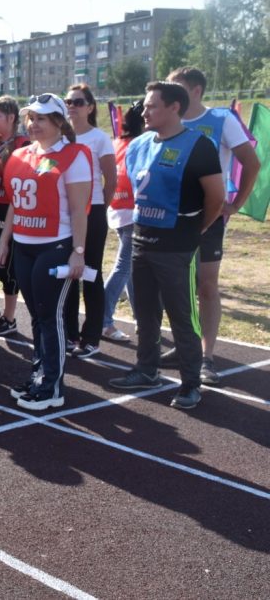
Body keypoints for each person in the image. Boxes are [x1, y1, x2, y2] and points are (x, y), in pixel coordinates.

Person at [108, 81, 224, 410]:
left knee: (181, 316)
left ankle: (190, 383)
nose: (144, 111)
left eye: (152, 106)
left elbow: (216, 198)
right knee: (145, 313)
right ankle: (147, 369)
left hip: (178, 246)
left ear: (174, 108)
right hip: (142, 240)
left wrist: (193, 230)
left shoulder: (199, 145)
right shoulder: (139, 144)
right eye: (145, 106)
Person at [0, 94, 92, 410]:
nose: (33, 123)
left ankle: (53, 385)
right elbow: (14, 203)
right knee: (35, 315)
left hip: (56, 246)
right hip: (24, 246)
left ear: (58, 123)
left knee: (51, 317)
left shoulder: (74, 156)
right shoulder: (21, 154)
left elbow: (79, 210)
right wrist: (4, 241)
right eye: (31, 118)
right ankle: (40, 375)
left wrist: (78, 252)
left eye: (42, 118)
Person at [165, 67, 262, 383]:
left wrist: (236, 204)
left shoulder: (221, 120)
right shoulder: (168, 121)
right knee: (176, 286)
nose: (169, 92)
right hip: (171, 217)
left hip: (208, 217)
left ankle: (207, 357)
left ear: (195, 91)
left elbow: (252, 162)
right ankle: (184, 345)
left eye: (175, 86)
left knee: (206, 286)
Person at [63, 84, 116, 358]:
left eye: (78, 101)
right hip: (64, 213)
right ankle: (70, 334)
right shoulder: (61, 137)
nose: (72, 105)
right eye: (68, 101)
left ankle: (92, 336)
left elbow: (111, 179)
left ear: (90, 107)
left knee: (91, 273)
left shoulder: (99, 138)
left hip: (92, 211)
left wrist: (98, 209)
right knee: (67, 274)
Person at [0, 96, 28, 336]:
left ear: (12, 117)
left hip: (8, 209)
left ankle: (10, 318)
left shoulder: (22, 144)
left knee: (5, 266)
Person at [102, 100, 145, 341]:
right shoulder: (140, 144)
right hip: (132, 210)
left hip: (117, 209)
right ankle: (103, 319)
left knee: (130, 269)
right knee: (124, 265)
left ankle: (140, 317)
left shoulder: (118, 142)